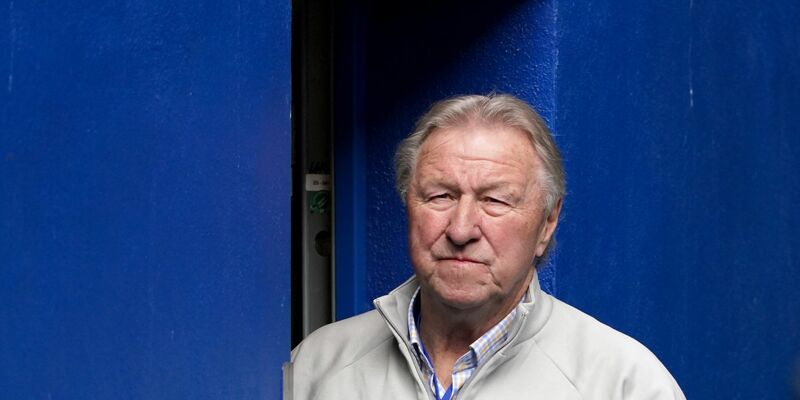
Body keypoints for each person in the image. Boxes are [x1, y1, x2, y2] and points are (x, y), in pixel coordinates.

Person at [284, 94, 685, 399]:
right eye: (440, 195)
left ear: (547, 222)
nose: (461, 229)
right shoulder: (319, 366)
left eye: (495, 200)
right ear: (408, 203)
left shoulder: (621, 383)